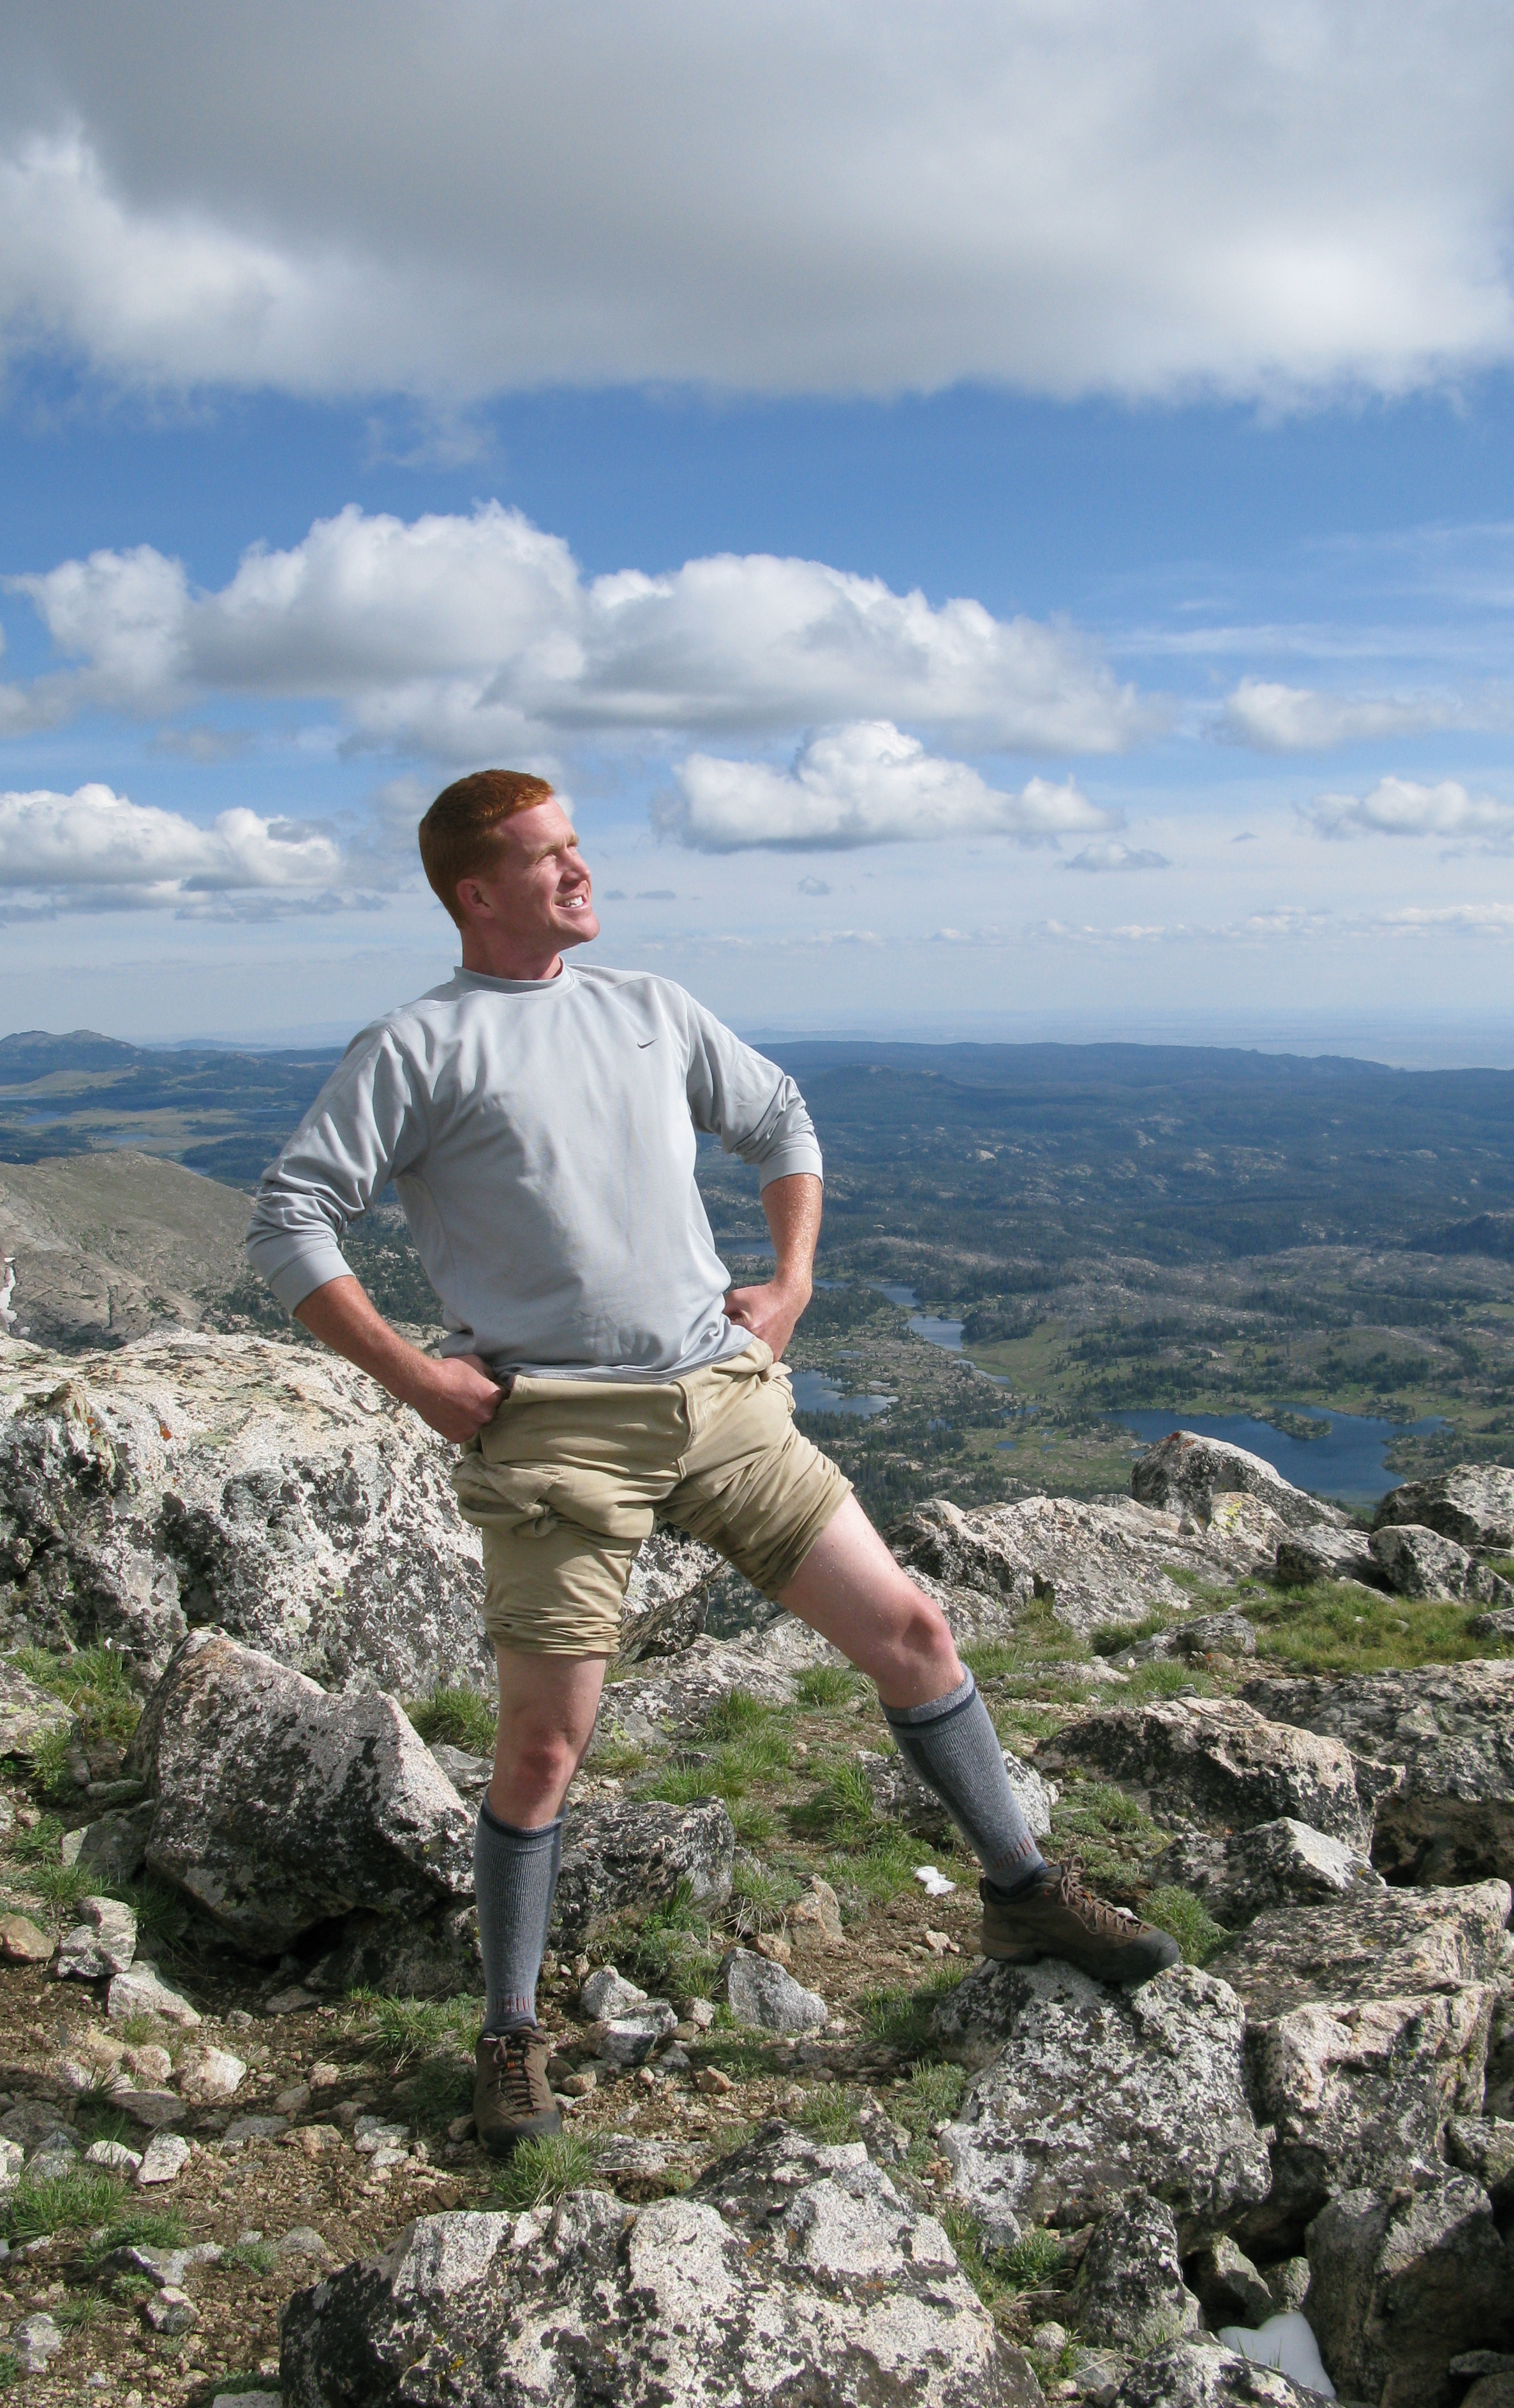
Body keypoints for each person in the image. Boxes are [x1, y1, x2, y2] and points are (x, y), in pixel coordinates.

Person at [245, 769, 1178, 2151]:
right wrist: (418, 1378)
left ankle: (1025, 1884)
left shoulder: (647, 1007)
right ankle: (507, 2033)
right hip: (555, 1426)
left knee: (914, 1630)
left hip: (721, 1396)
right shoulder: (418, 1046)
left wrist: (790, 1284)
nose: (578, 871)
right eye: (545, 856)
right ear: (473, 891)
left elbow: (783, 1121)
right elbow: (291, 1220)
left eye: (575, 845)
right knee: (545, 1743)